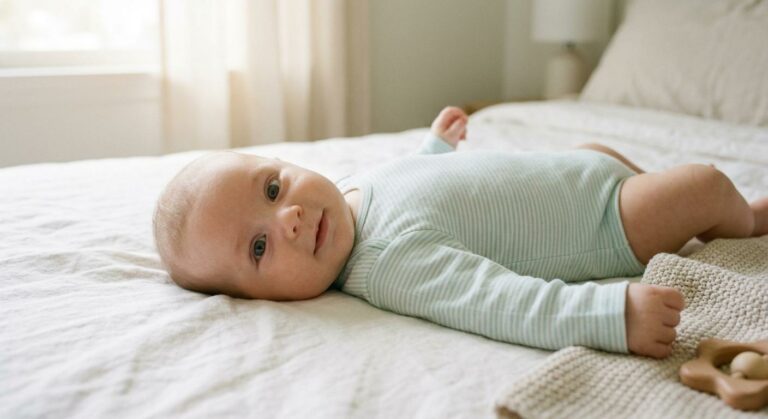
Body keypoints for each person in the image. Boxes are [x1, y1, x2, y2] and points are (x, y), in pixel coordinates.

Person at [153, 106, 768, 359]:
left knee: (596, 146)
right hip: (606, 219)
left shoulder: (347, 197)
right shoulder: (391, 264)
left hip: (578, 170)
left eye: (272, 187)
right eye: (258, 247)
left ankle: (682, 200)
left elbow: (417, 183)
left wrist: (434, 146)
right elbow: (496, 300)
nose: (286, 217)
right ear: (255, 298)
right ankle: (744, 220)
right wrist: (611, 315)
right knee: (702, 185)